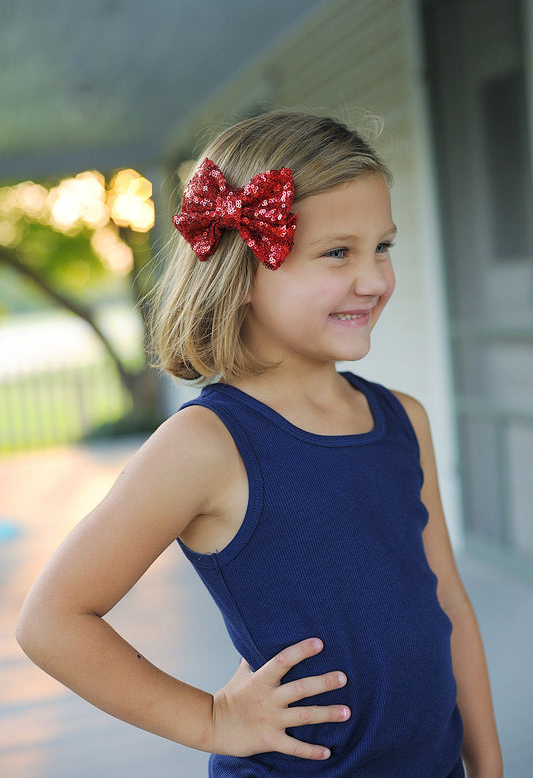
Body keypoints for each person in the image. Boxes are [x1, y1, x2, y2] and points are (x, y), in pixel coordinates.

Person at [17, 110, 503, 778]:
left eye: (381, 247)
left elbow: (446, 600)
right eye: (338, 252)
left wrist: (486, 759)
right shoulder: (205, 443)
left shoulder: (402, 420)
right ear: (243, 272)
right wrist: (212, 718)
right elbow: (51, 620)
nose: (373, 279)